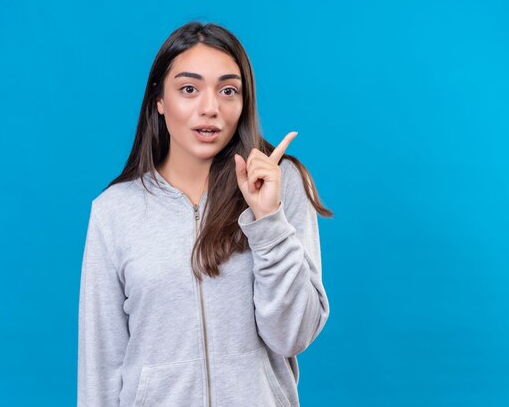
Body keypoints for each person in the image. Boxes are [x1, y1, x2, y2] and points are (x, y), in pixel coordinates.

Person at [77, 21, 333, 407]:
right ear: (159, 100)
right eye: (189, 89)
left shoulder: (280, 184)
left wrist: (268, 221)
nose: (210, 108)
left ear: (244, 101)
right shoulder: (114, 211)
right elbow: (101, 363)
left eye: (228, 90)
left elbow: (292, 335)